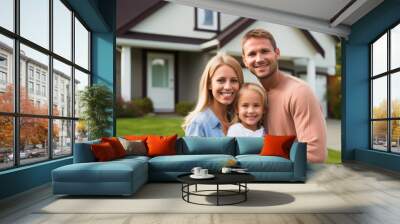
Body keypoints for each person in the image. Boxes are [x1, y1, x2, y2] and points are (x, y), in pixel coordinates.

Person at [241, 28, 327, 163]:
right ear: (245, 61)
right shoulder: (258, 97)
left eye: (264, 51)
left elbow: (315, 155)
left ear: (277, 53)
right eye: (252, 54)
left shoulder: (299, 92)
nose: (259, 59)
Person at [183, 52, 244, 137]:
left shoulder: (239, 120)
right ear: (209, 84)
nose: (228, 87)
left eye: (234, 80)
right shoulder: (198, 123)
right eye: (221, 80)